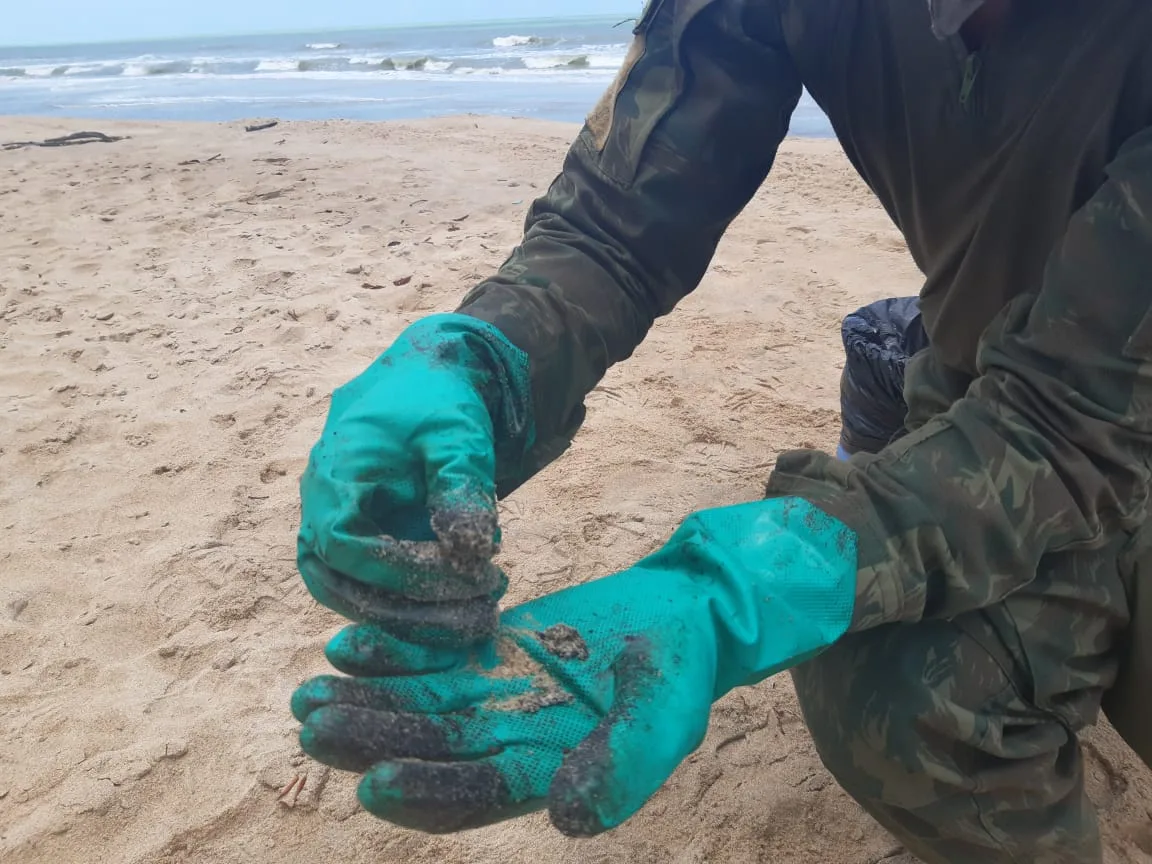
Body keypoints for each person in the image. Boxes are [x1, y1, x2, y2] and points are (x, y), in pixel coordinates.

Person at [288, 1, 1152, 861]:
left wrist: (749, 581)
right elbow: (614, 227)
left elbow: (1070, 420)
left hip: (1092, 417)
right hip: (988, 398)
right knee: (889, 679)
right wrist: (490, 361)